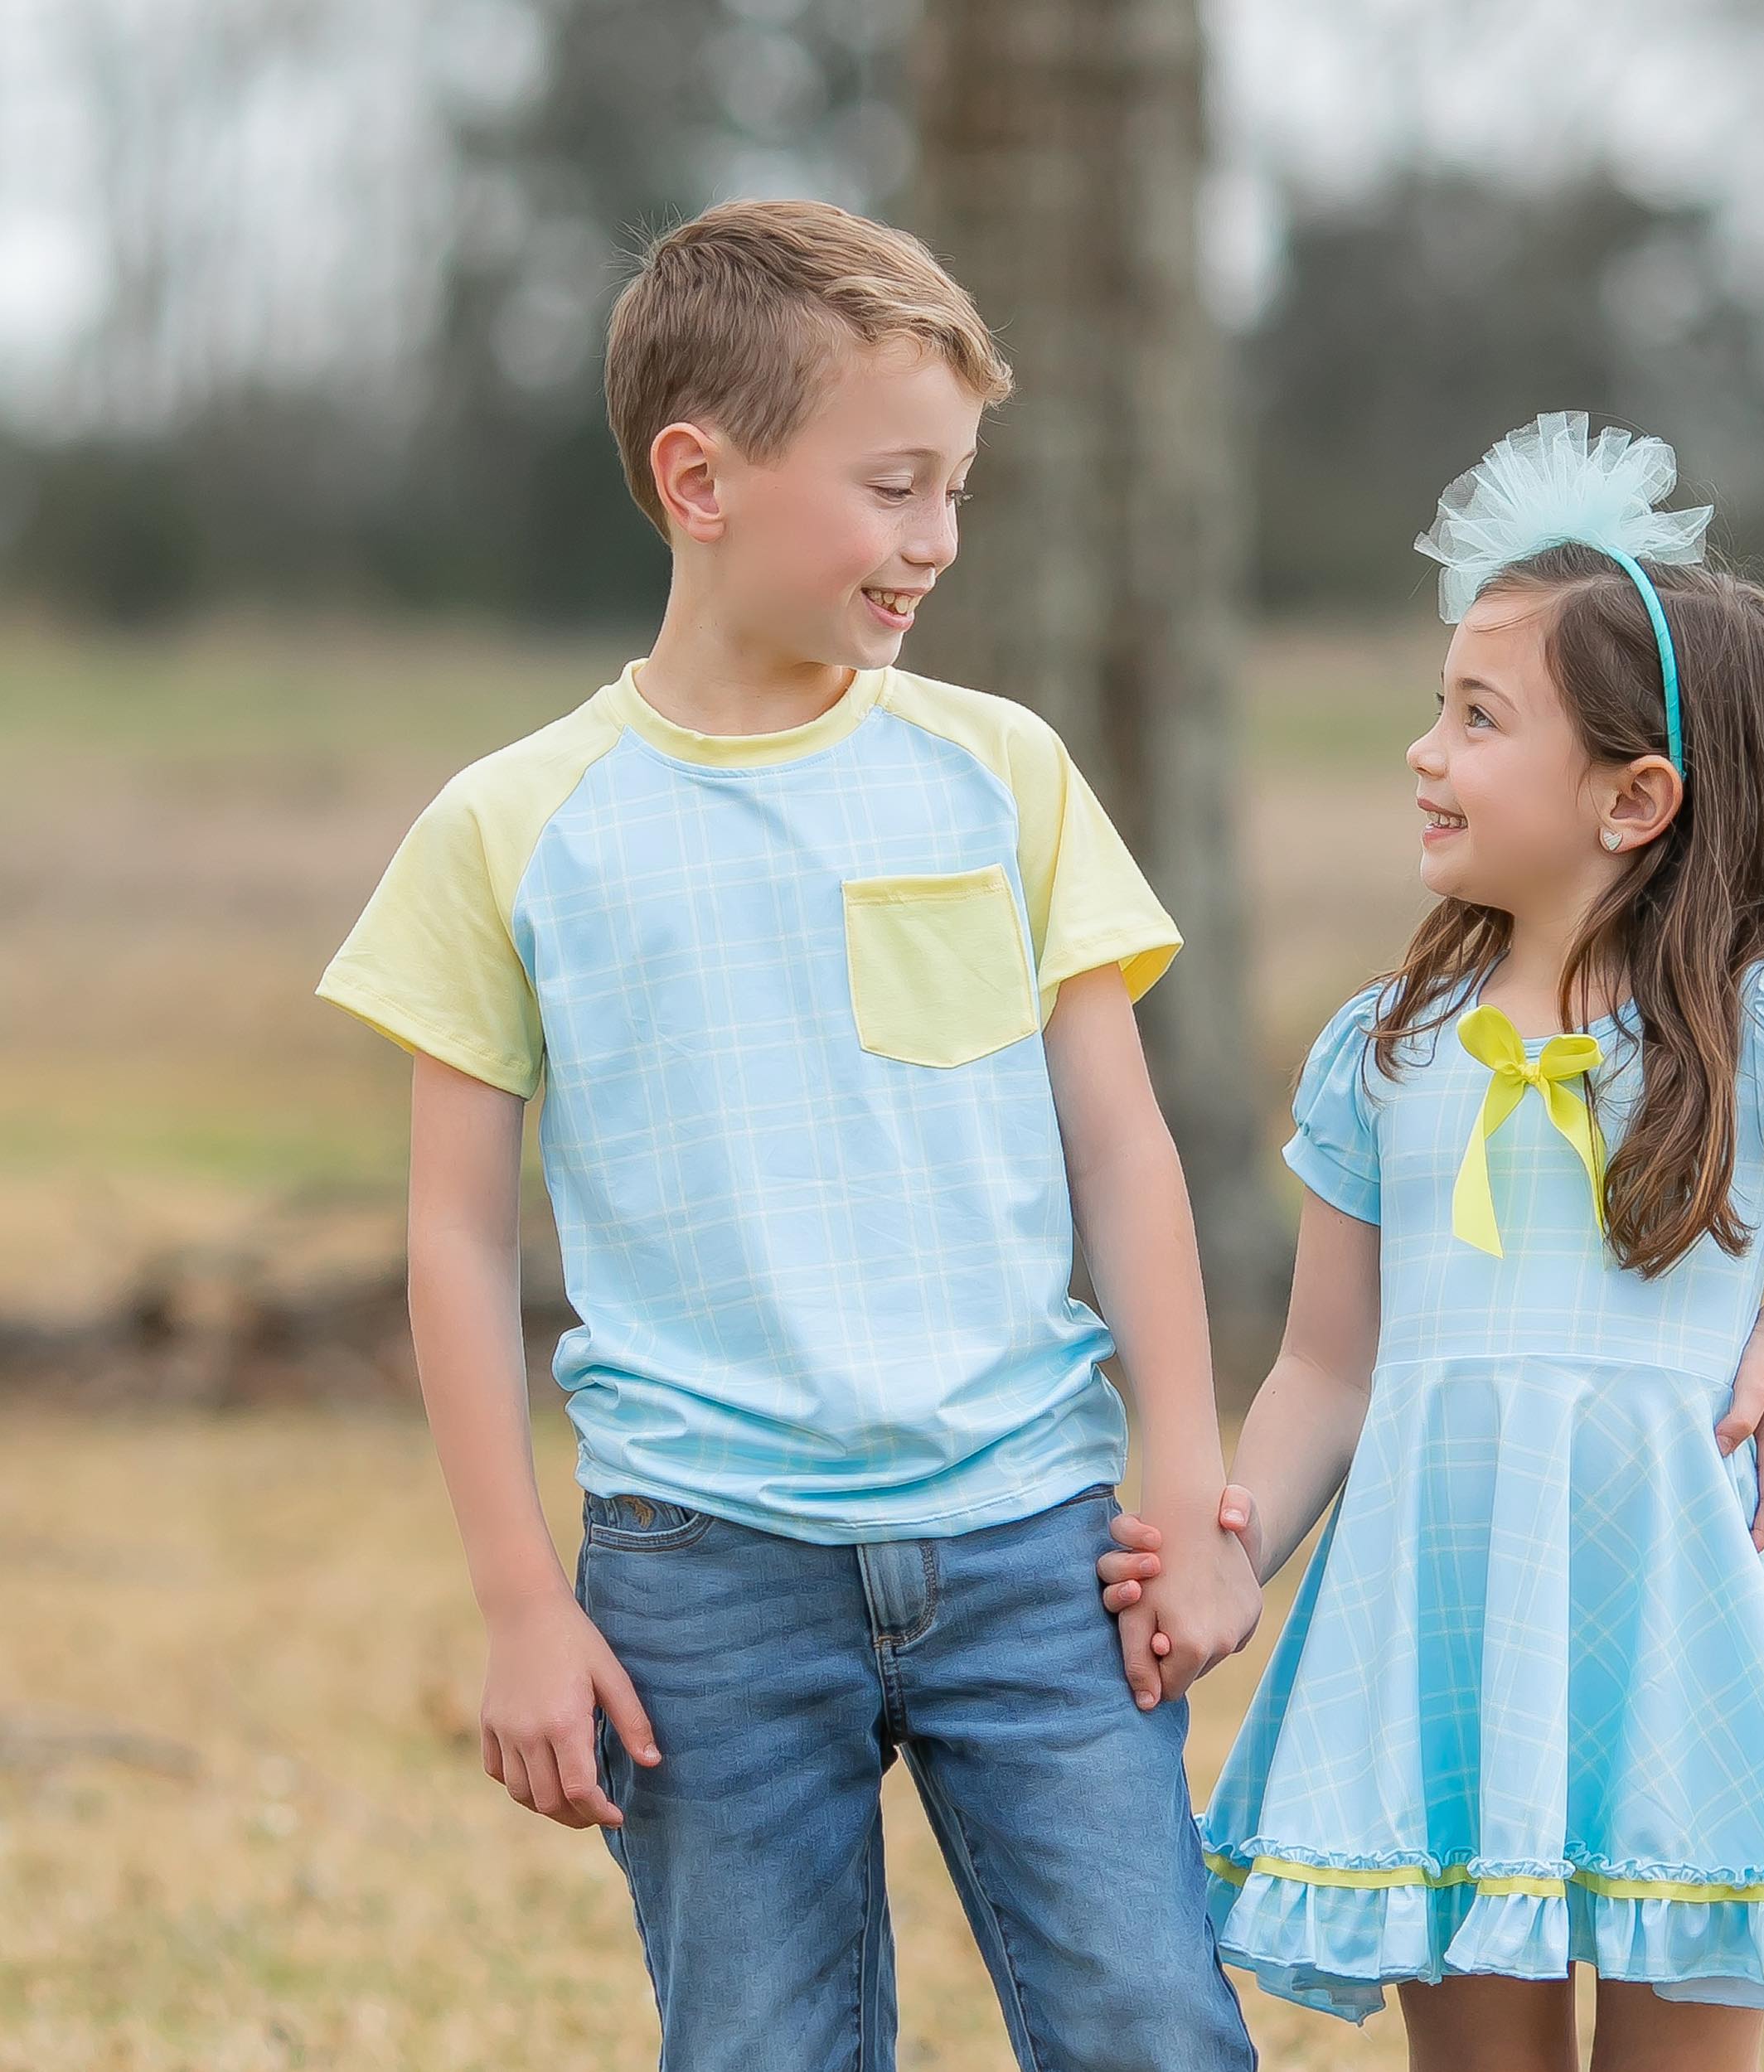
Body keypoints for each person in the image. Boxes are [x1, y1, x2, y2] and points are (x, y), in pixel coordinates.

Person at [316, 199, 1259, 2072]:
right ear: (700, 478)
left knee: (1154, 2024)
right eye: (897, 486)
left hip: (1034, 1538)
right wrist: (518, 1597)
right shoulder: (511, 828)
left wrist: (1187, 1472)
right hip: (701, 1568)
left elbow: (1123, 1151)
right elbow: (453, 1238)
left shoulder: (999, 770)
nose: (938, 542)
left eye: (957, 489)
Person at [1099, 414, 1764, 2070]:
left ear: (1634, 795)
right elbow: (1329, 1364)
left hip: (1676, 1609)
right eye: (1437, 703)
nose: (1423, 750)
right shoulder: (1388, 1044)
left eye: (1477, 716)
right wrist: (1228, 1543)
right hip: (1444, 1607)